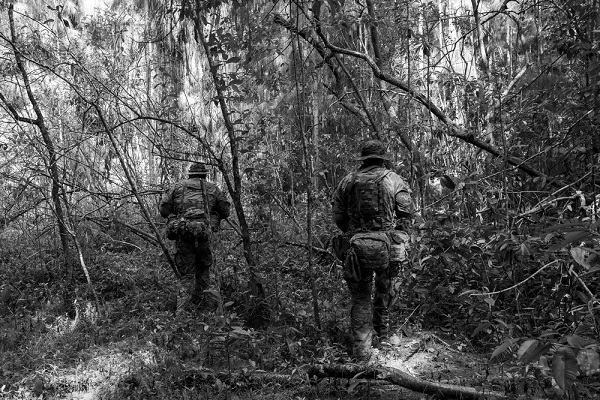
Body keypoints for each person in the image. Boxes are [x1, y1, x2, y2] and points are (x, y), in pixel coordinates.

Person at [332, 140, 414, 362]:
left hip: (356, 248)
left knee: (360, 298)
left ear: (364, 159)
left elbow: (338, 217)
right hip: (387, 246)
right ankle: (384, 337)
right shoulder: (394, 179)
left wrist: (356, 232)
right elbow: (406, 212)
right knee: (385, 291)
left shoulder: (347, 181)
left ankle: (362, 351)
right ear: (382, 158)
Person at [160, 162, 230, 309]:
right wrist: (213, 214)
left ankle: (182, 315)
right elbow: (225, 212)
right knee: (204, 271)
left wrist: (176, 215)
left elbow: (164, 211)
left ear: (190, 174)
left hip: (183, 235)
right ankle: (207, 310)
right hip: (204, 236)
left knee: (186, 276)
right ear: (204, 174)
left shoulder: (177, 187)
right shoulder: (213, 188)